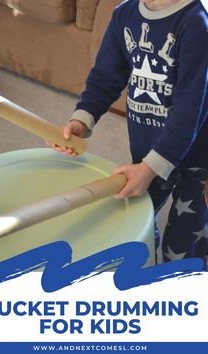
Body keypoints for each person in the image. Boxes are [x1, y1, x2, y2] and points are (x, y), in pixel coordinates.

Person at [47, 0, 208, 267]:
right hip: (147, 151)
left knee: (182, 245)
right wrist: (82, 119)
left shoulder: (196, 24)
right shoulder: (125, 15)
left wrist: (151, 167)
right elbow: (105, 77)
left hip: (198, 161)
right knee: (137, 220)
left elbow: (191, 109)